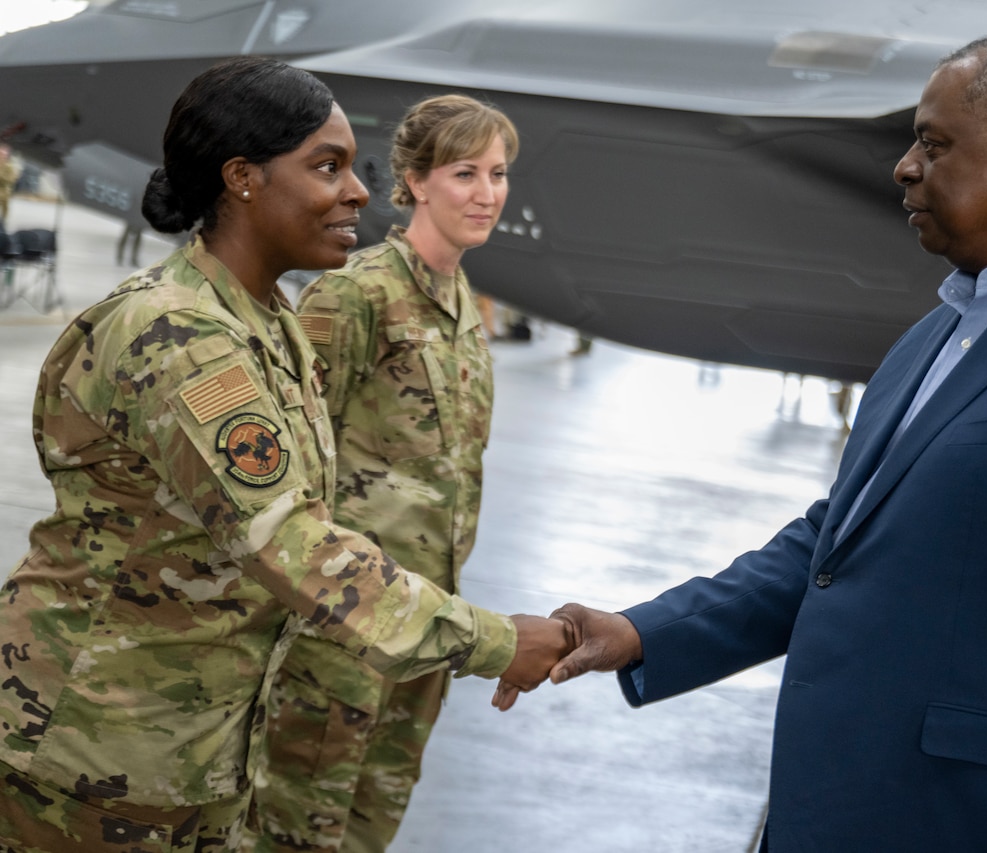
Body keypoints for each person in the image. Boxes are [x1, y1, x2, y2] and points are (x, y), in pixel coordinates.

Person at [516, 31, 987, 851]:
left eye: (933, 143)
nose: (905, 167)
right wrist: (642, 630)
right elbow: (837, 541)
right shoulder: (945, 328)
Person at [0, 57, 567, 853]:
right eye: (326, 167)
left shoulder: (269, 326)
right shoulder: (182, 339)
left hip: (198, 745)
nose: (359, 192)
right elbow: (292, 543)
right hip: (98, 748)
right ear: (243, 179)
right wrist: (499, 639)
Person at [244, 94, 516, 852]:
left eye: (498, 173)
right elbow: (289, 465)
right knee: (297, 828)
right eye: (466, 173)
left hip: (425, 624)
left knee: (369, 826)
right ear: (416, 180)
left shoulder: (465, 304)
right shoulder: (356, 294)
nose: (487, 193)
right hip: (342, 632)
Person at [0, 143, 19, 226]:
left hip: (5, 191)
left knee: (5, 208)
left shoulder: (9, 166)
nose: (1, 156)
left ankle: (3, 223)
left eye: (3, 154)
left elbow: (11, 179)